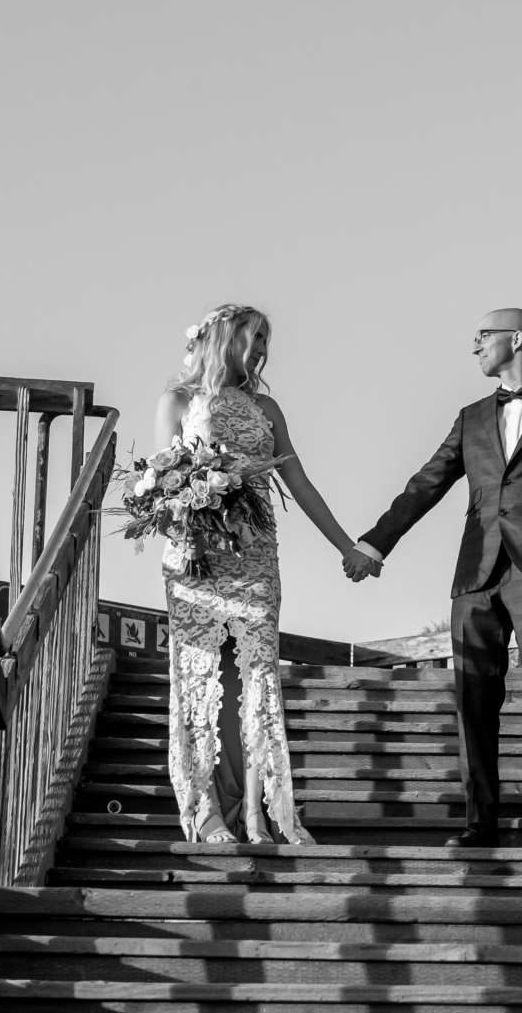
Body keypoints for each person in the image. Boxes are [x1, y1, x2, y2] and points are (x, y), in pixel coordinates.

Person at [350, 308, 522, 847]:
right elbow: (427, 483)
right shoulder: (469, 418)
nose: (474, 348)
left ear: (516, 339)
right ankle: (479, 823)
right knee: (473, 701)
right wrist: (375, 542)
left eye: (482, 337)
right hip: (477, 574)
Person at [157, 304, 375, 845]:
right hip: (197, 557)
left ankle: (257, 815)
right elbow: (162, 479)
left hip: (256, 558)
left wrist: (348, 546)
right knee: (198, 679)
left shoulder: (267, 408)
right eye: (253, 339)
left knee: (257, 680)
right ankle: (206, 811)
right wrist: (187, 502)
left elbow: (298, 482)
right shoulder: (179, 401)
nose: (261, 352)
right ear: (223, 340)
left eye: (265, 343)